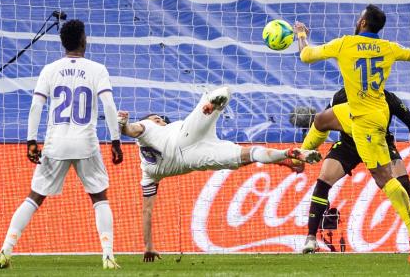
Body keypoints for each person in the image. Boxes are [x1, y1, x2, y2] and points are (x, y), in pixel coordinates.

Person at [295, 4, 410, 262]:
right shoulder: (387, 47)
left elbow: (305, 56)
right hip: (371, 109)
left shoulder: (344, 44)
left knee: (383, 178)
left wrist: (301, 35)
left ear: (361, 23)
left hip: (367, 122)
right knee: (323, 118)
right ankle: (301, 156)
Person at [117, 87, 322, 262]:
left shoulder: (148, 172)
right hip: (186, 138)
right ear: (152, 120)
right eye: (157, 118)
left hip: (198, 155)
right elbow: (133, 129)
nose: (160, 119)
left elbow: (147, 211)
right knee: (223, 92)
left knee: (247, 155)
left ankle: (286, 154)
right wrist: (124, 125)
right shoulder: (150, 126)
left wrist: (148, 246)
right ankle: (212, 105)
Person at [0, 20, 124, 270]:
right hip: (86, 143)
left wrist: (31, 140)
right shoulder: (97, 69)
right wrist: (116, 140)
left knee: (34, 197)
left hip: (56, 144)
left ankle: (5, 250)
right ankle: (108, 255)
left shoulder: (50, 69)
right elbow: (108, 105)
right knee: (99, 198)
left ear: (63, 43)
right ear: (84, 40)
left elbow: (36, 106)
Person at [298, 88, 410, 253]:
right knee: (323, 181)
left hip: (379, 143)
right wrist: (304, 151)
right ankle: (311, 238)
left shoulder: (387, 97)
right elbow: (324, 122)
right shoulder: (340, 96)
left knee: (404, 183)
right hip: (349, 145)